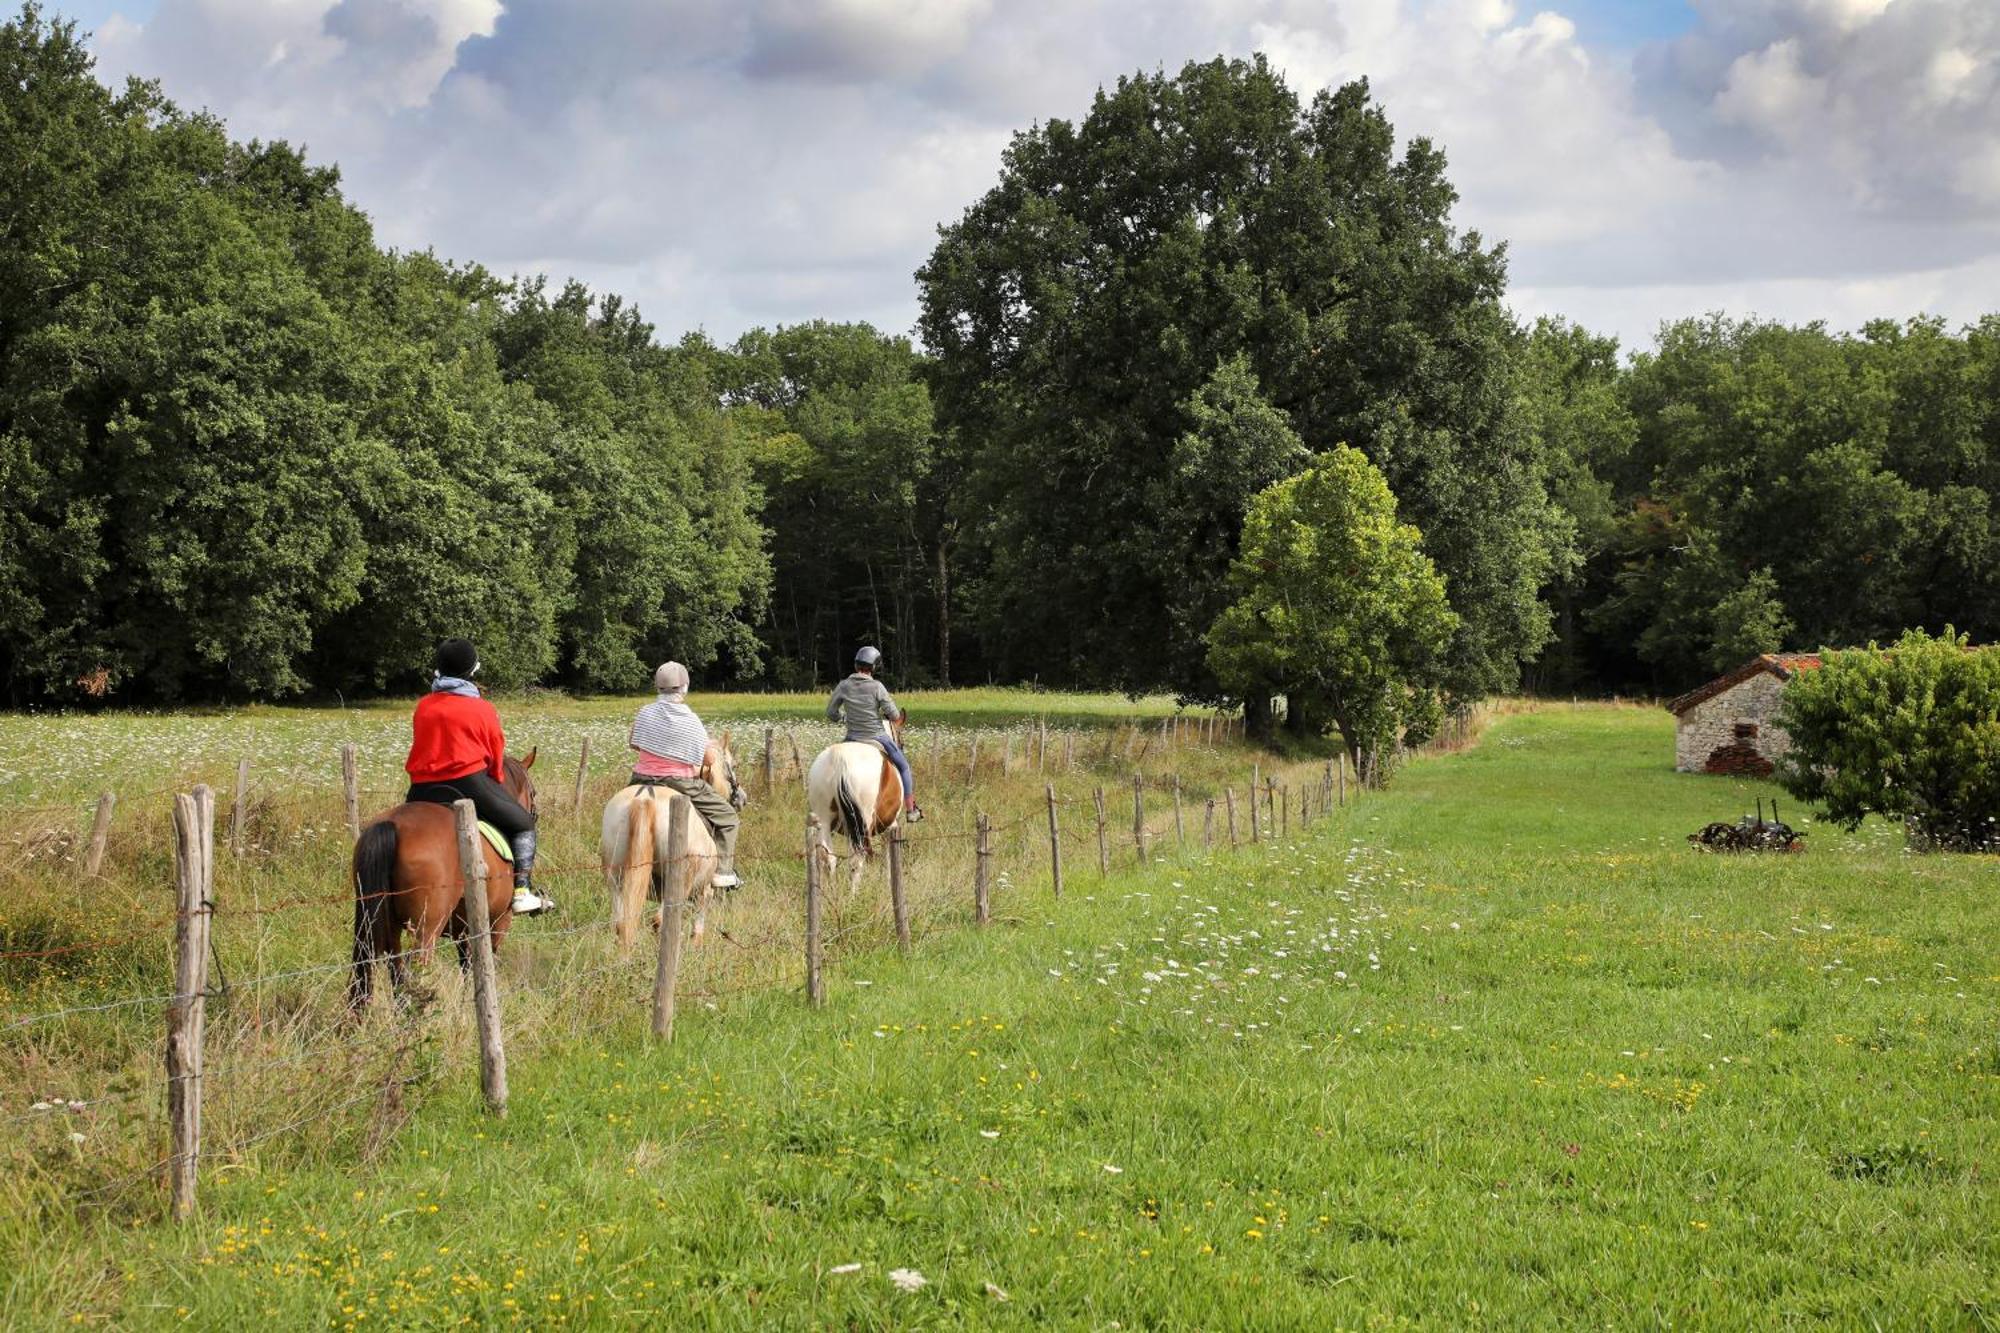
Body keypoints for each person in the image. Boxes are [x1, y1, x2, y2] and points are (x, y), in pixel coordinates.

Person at [403, 638, 552, 916]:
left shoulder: (424, 705)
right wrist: (496, 778)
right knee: (522, 824)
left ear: (439, 670)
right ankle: (522, 891)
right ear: (472, 671)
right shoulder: (481, 708)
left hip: (421, 788)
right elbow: (495, 752)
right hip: (468, 784)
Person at [628, 662, 740, 889]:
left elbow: (634, 743)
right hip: (679, 782)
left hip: (640, 779)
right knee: (728, 818)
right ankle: (723, 872)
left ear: (657, 687)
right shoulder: (690, 719)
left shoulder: (645, 712)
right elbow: (709, 761)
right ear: (685, 688)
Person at [826, 646, 921, 821]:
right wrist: (887, 713)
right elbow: (894, 715)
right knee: (904, 766)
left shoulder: (844, 685)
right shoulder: (877, 687)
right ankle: (911, 810)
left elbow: (831, 713)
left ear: (856, 665)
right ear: (874, 667)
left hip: (852, 737)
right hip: (877, 736)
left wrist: (845, 718)